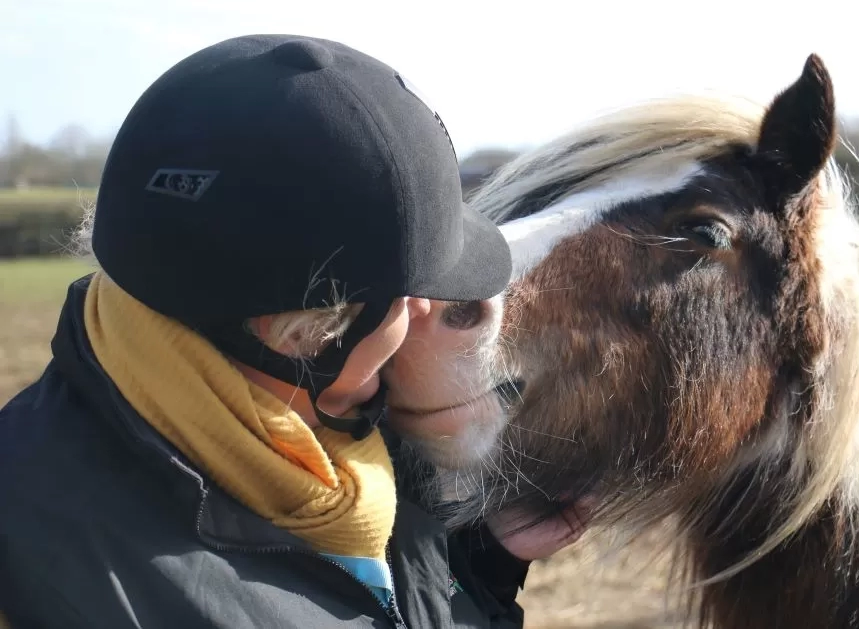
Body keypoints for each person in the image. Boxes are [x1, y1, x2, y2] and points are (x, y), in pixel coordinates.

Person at [0, 34, 585, 628]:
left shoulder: (334, 455)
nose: (426, 312)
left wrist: (474, 570)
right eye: (407, 294)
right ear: (300, 333)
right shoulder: (52, 581)